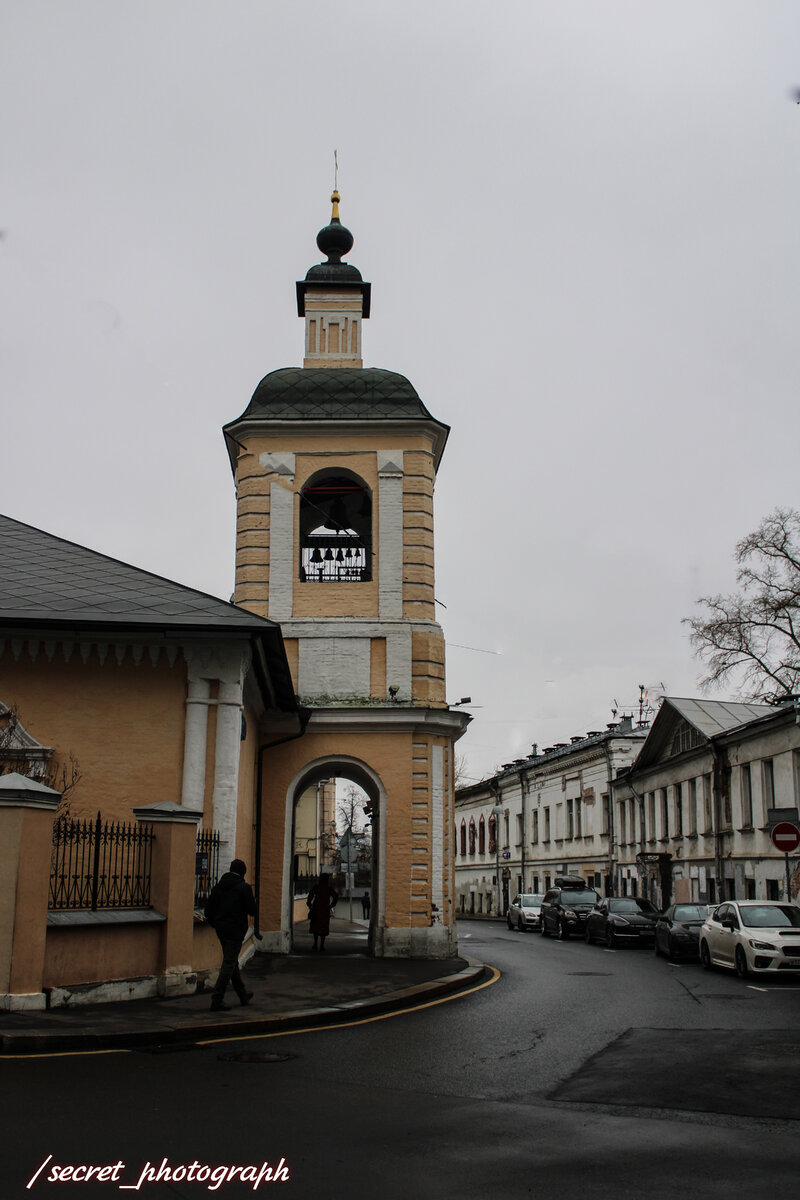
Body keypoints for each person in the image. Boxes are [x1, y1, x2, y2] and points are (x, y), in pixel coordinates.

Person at [204, 858, 260, 1011]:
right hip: (235, 930)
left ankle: (243, 994)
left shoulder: (218, 887)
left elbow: (208, 911)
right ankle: (217, 998)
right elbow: (252, 911)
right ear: (243, 872)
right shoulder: (244, 888)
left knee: (231, 961)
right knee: (229, 963)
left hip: (221, 930)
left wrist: (216, 924)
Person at [307, 872, 338, 952]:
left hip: (316, 909)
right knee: (323, 928)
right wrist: (331, 905)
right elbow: (335, 896)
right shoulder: (328, 888)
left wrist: (309, 904)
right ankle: (321, 945)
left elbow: (311, 894)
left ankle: (315, 944)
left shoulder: (317, 887)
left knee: (316, 927)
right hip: (325, 910)